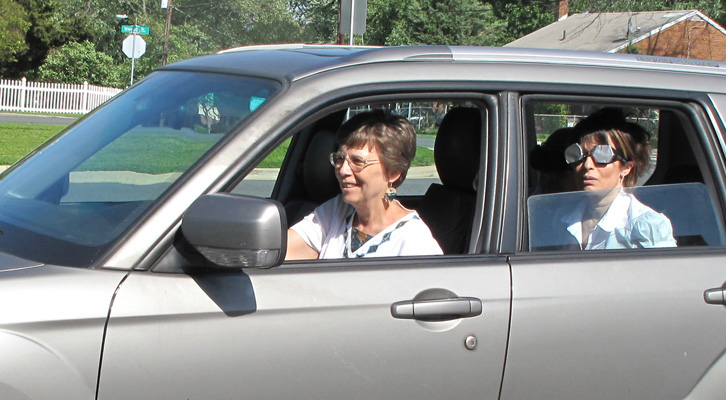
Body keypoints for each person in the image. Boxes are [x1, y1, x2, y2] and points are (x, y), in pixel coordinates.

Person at [286, 110, 443, 259]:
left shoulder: (415, 243)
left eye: (357, 161)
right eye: (340, 159)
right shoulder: (336, 211)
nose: (343, 170)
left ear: (393, 172)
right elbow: (277, 253)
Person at [556, 120, 677, 249]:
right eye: (578, 155)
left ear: (626, 167)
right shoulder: (562, 218)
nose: (587, 165)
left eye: (602, 155)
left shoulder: (647, 225)